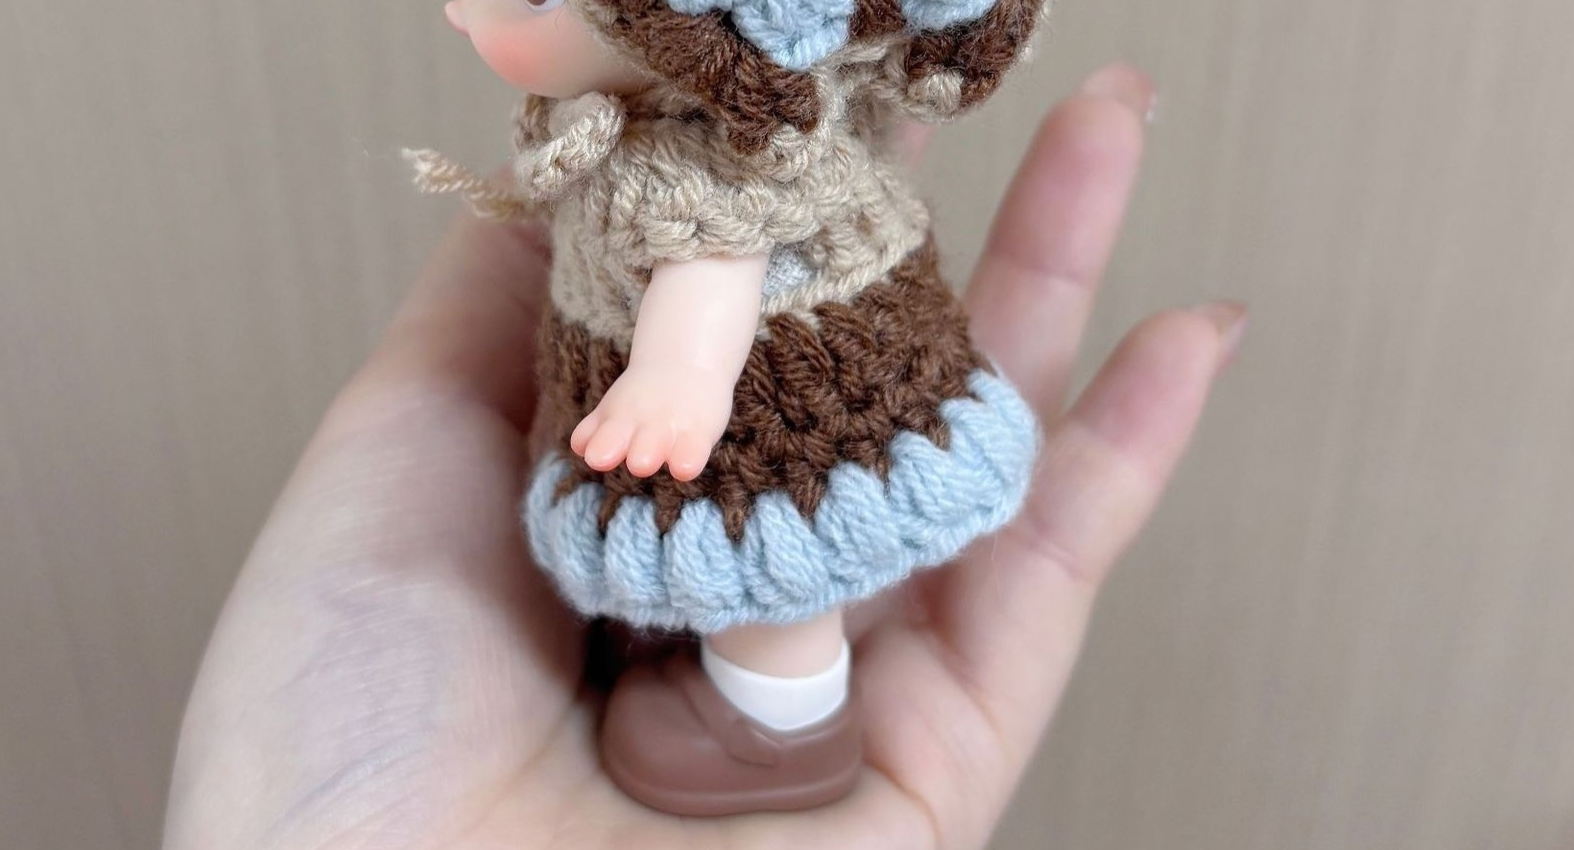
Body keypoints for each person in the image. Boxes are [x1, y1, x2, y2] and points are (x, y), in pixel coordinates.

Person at [164, 62, 1243, 847]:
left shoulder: (701, 148)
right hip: (779, 387)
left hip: (775, 416)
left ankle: (779, 724)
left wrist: (676, 377)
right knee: (754, 570)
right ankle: (756, 697)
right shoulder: (669, 118)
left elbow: (717, 253)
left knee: (776, 571)